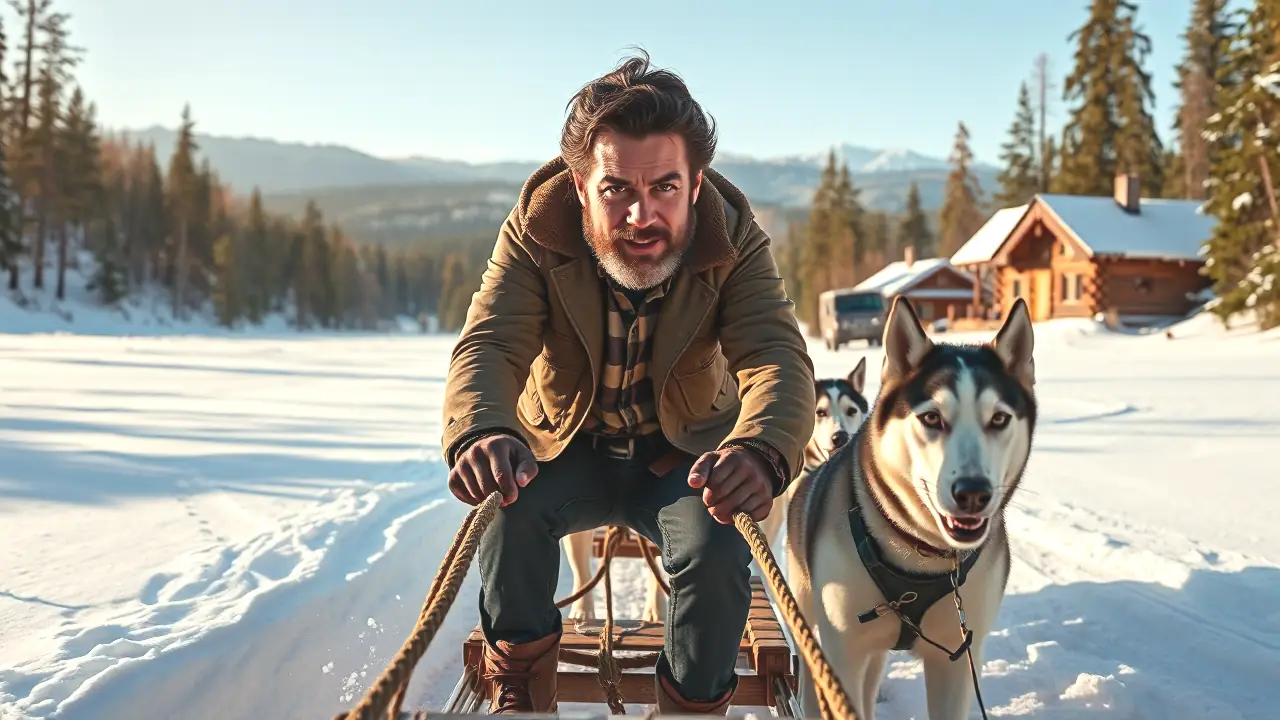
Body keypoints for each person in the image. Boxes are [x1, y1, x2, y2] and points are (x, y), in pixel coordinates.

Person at [441, 50, 815, 715]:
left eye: (665, 187)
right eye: (616, 189)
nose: (642, 214)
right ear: (580, 185)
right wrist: (483, 429)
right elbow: (492, 344)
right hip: (564, 449)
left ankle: (692, 706)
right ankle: (523, 693)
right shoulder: (535, 234)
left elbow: (776, 358)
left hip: (682, 458)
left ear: (695, 185)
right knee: (506, 511)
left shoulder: (735, 242)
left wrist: (759, 449)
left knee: (716, 542)